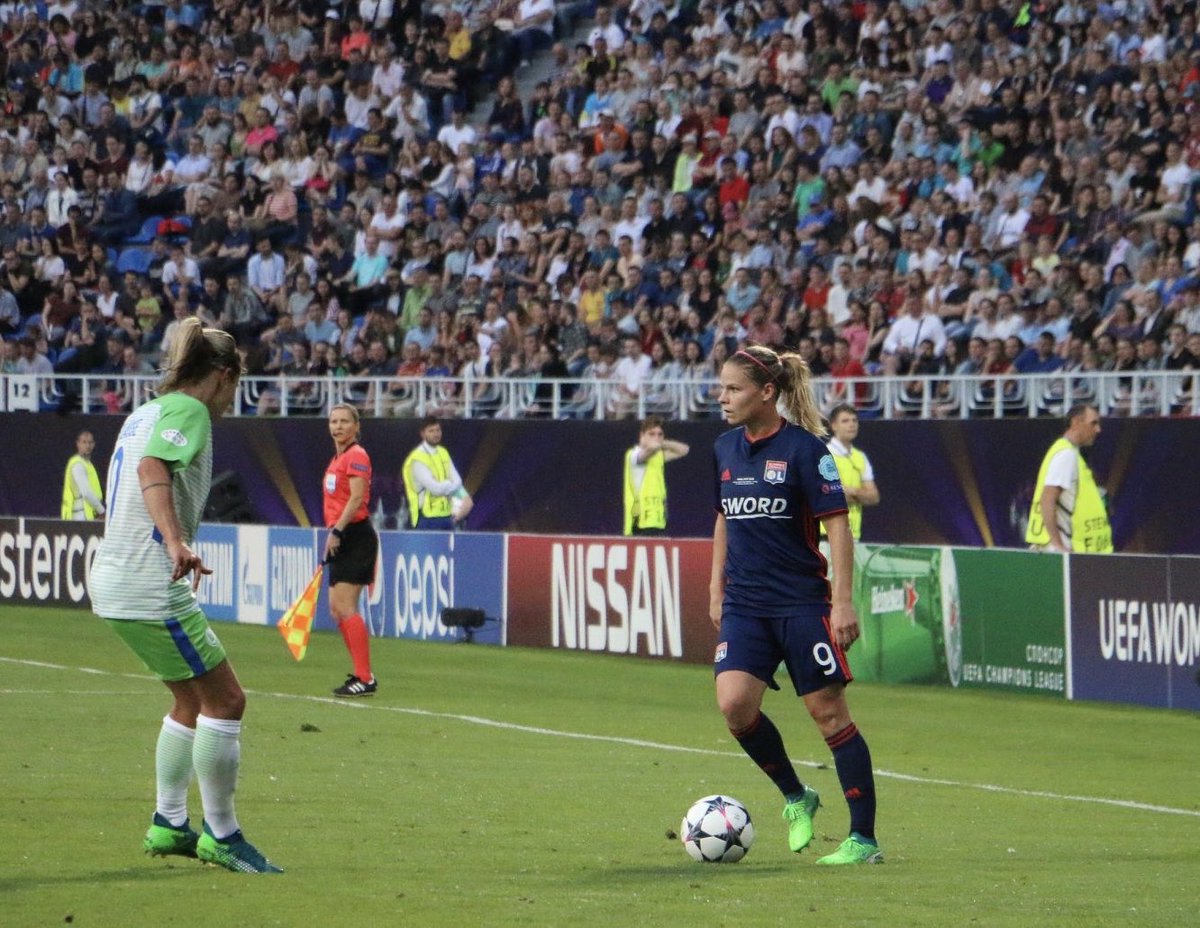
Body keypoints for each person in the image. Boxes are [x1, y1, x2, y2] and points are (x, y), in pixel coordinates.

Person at [87, 318, 282, 874]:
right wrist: (175, 541)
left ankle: (170, 821)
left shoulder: (142, 414)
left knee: (191, 701)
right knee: (227, 701)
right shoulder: (190, 411)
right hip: (153, 583)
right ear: (222, 376)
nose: (230, 400)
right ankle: (222, 835)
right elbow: (154, 469)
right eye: (234, 386)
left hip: (116, 577)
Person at [709, 344, 882, 866]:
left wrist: (844, 603)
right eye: (720, 388)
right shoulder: (723, 448)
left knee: (828, 715)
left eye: (733, 389)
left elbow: (837, 525)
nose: (723, 398)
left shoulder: (808, 451)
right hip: (745, 604)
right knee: (734, 705)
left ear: (767, 393)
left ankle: (863, 840)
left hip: (802, 604)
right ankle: (795, 795)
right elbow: (723, 517)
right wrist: (715, 590)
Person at [323, 403, 380, 697]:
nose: (338, 426)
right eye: (334, 421)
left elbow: (356, 499)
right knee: (336, 609)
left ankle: (365, 677)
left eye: (345, 421)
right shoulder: (338, 458)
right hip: (343, 534)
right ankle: (361, 674)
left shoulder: (356, 455)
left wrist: (337, 530)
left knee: (346, 606)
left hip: (355, 535)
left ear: (357, 426)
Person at [1026, 404, 1113, 553]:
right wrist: (1058, 545)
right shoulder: (1066, 455)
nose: (1098, 430)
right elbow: (1047, 499)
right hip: (1062, 552)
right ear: (1076, 422)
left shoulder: (1069, 453)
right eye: (1093, 423)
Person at [622, 415, 690, 536]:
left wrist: (662, 443)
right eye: (651, 434)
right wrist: (656, 445)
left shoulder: (658, 456)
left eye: (659, 434)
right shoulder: (633, 455)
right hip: (639, 521)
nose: (656, 438)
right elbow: (645, 454)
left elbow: (684, 450)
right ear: (642, 436)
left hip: (658, 519)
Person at [402, 416, 473, 530]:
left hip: (446, 516)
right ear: (423, 434)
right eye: (431, 431)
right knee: (429, 548)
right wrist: (449, 484)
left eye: (438, 430)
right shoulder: (417, 459)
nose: (436, 434)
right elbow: (435, 489)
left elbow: (458, 481)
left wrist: (445, 486)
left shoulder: (443, 452)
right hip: (425, 518)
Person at [822, 405, 880, 541]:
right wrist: (861, 494)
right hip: (827, 533)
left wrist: (851, 491)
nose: (851, 425)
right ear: (833, 426)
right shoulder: (825, 455)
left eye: (854, 420)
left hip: (853, 533)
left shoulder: (860, 457)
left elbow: (874, 497)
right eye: (845, 421)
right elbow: (827, 494)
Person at [61, 429, 105, 520]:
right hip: (80, 514)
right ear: (78, 444)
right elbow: (86, 492)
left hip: (88, 513)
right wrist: (101, 510)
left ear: (94, 444)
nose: (87, 446)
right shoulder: (77, 464)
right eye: (84, 442)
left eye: (90, 442)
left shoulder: (88, 464)